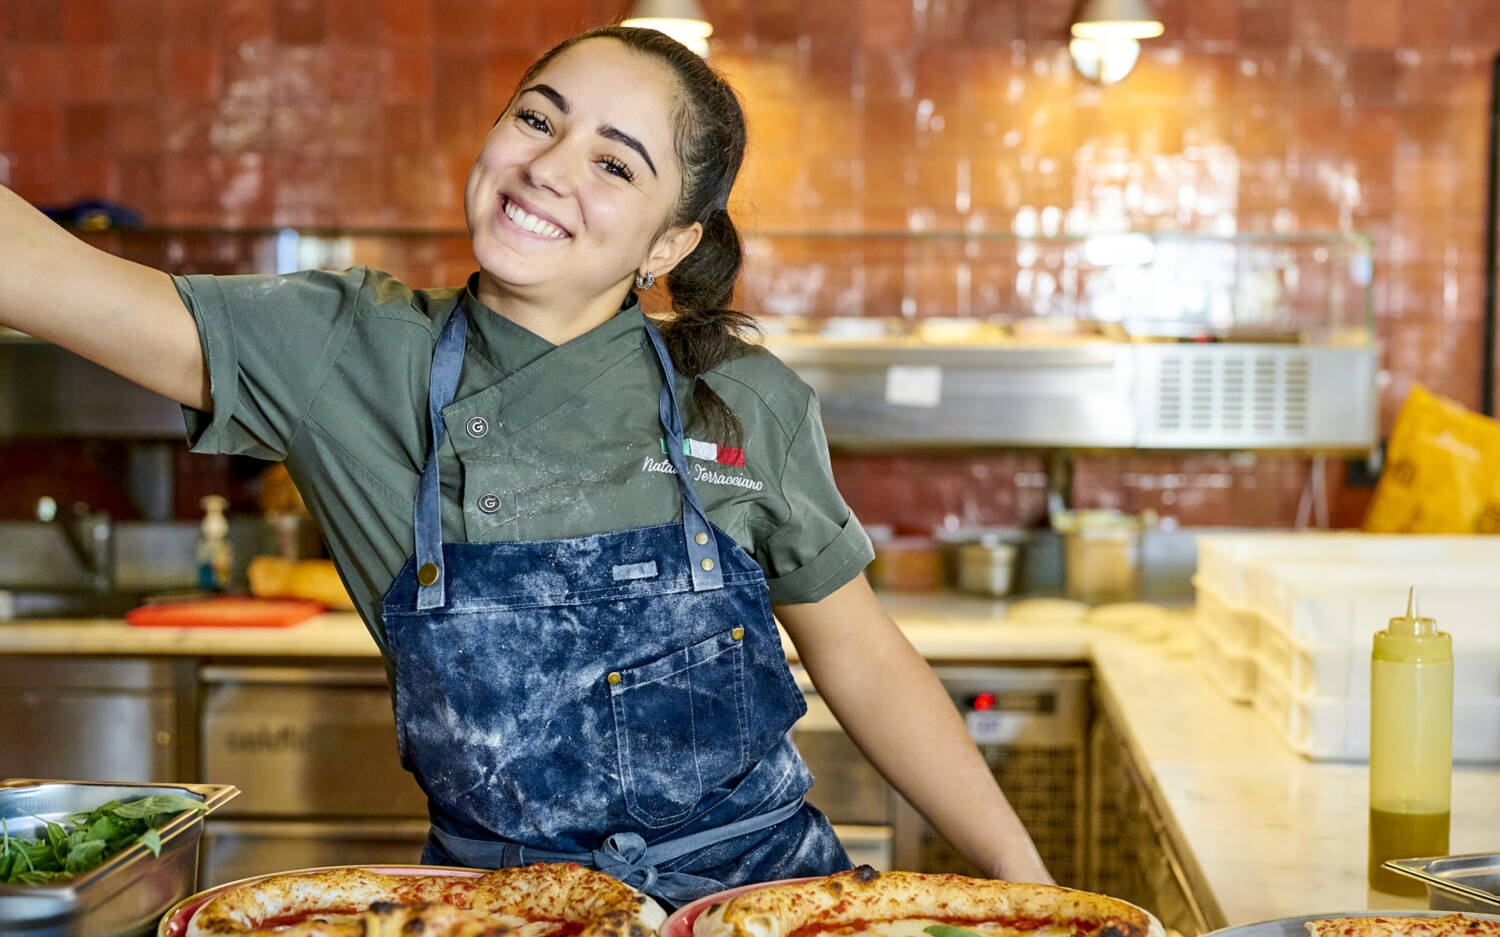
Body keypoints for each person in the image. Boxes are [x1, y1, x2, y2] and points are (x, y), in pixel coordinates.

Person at [0, 25, 1051, 904]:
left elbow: (863, 656)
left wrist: (1020, 876)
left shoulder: (740, 397)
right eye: (538, 118)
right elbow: (43, 273)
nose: (549, 166)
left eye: (614, 161)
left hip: (763, 906)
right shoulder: (343, 354)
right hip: (496, 916)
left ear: (670, 245)